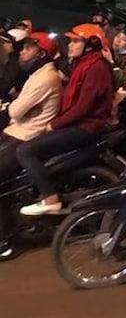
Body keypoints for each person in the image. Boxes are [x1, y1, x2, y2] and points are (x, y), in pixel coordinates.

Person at [17, 24, 113, 216]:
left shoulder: (96, 68)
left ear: (90, 45)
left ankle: (50, 198)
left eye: (76, 41)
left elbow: (82, 108)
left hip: (86, 127)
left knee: (25, 151)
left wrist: (53, 125)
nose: (70, 45)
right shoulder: (83, 63)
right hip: (76, 124)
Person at [0, 33, 62, 260]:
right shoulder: (36, 74)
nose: (22, 52)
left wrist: (14, 106)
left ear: (41, 54)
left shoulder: (45, 78)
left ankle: (4, 241)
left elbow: (16, 110)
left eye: (28, 49)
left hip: (25, 135)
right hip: (16, 131)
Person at [0, 28, 29, 99]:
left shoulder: (15, 63)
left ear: (16, 45)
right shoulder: (9, 58)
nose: (3, 44)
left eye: (7, 42)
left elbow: (4, 87)